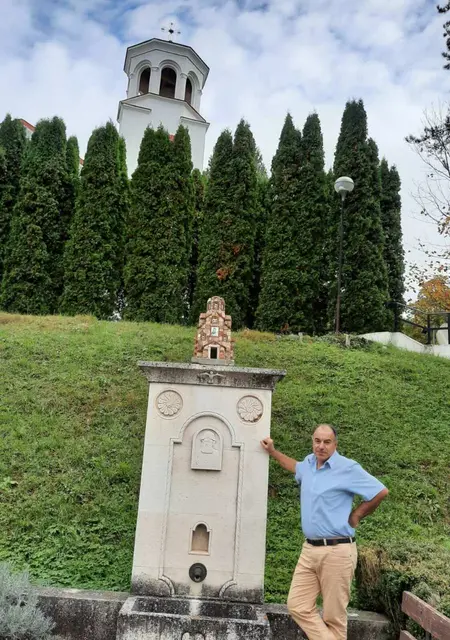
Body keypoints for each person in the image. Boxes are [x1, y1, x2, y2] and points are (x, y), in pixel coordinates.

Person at [261, 424, 388, 640]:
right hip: (309, 549)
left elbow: (380, 491)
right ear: (312, 441)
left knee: (334, 617)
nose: (321, 446)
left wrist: (357, 515)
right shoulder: (309, 464)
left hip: (337, 551)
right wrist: (273, 452)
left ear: (335, 444)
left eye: (327, 442)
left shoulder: (347, 468)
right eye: (317, 441)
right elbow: (294, 466)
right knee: (297, 605)